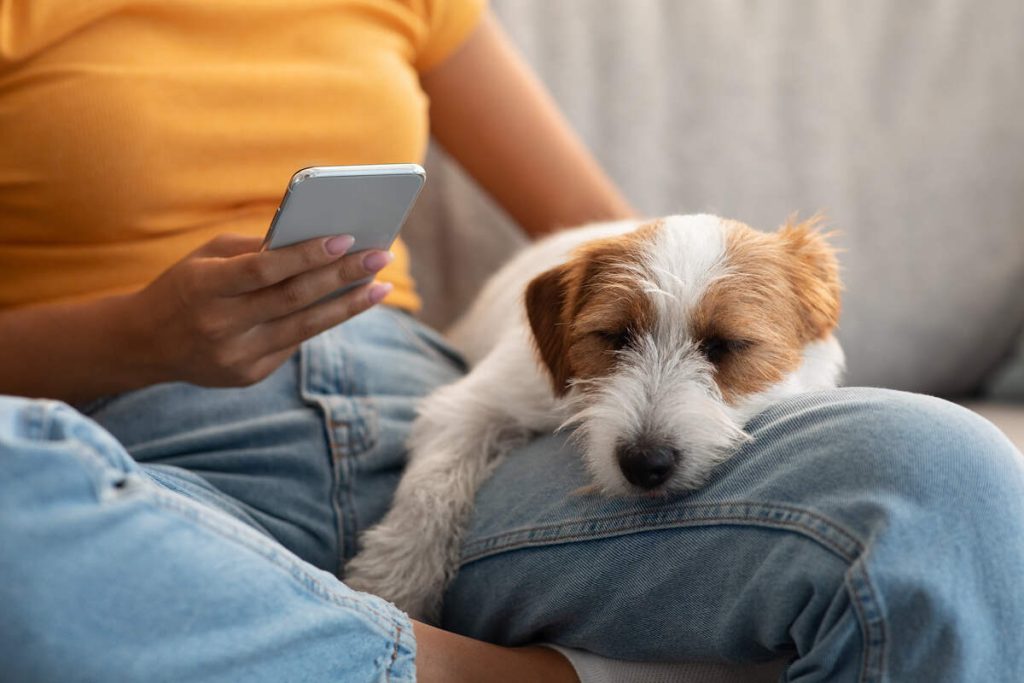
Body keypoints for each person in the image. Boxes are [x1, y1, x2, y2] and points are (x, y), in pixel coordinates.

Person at [1, 2, 1023, 681]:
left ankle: (303, 639)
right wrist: (140, 334)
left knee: (948, 474)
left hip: (472, 434)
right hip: (152, 453)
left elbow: (620, 248)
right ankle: (501, 671)